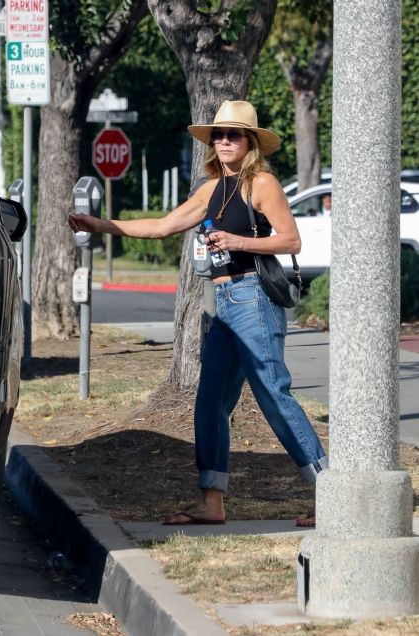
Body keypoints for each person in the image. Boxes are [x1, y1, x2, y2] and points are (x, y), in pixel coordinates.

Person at [68, 100, 328, 528]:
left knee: (273, 397)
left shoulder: (261, 183)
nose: (225, 141)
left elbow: (291, 241)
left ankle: (329, 491)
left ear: (250, 143)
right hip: (224, 306)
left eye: (234, 135)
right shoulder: (211, 190)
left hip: (254, 300)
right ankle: (211, 502)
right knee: (209, 404)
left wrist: (236, 241)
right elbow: (161, 226)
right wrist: (102, 225)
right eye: (219, 136)